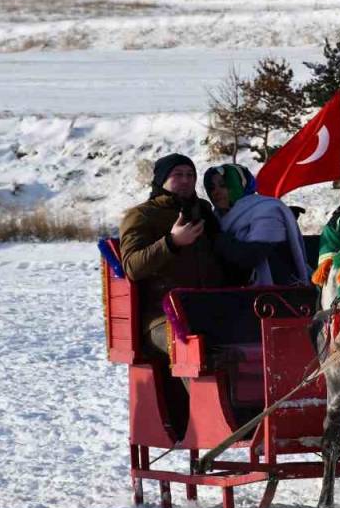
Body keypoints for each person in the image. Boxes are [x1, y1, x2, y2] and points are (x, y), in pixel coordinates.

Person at [119, 153, 226, 359]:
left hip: (211, 309)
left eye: (190, 174)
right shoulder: (142, 215)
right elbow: (132, 267)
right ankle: (199, 393)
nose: (186, 180)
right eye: (177, 174)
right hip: (162, 317)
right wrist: (172, 242)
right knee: (197, 352)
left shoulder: (203, 211)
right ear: (162, 180)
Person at [204, 163, 310, 286]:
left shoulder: (269, 210)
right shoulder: (216, 218)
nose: (216, 192)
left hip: (278, 295)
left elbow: (251, 255)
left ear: (239, 185)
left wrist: (216, 237)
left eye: (223, 185)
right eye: (212, 188)